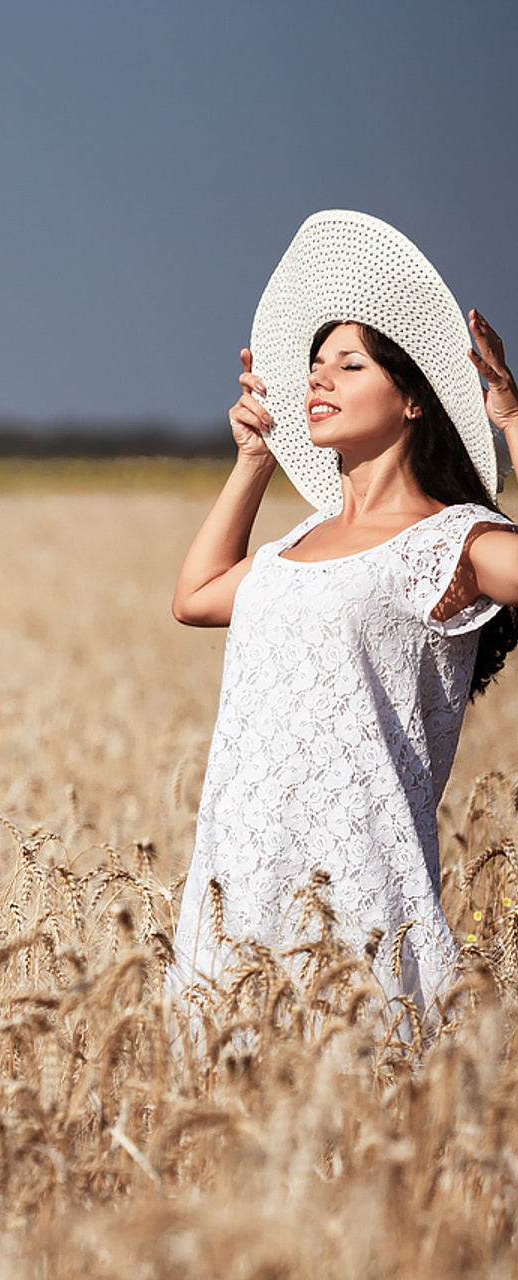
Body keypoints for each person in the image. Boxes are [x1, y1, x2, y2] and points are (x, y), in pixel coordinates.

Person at [169, 210, 518, 1034]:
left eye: (349, 364)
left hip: (363, 899)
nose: (317, 379)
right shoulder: (294, 544)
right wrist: (253, 461)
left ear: (412, 401)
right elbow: (196, 596)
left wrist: (509, 422)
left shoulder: (454, 541)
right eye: (314, 365)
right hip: (237, 882)